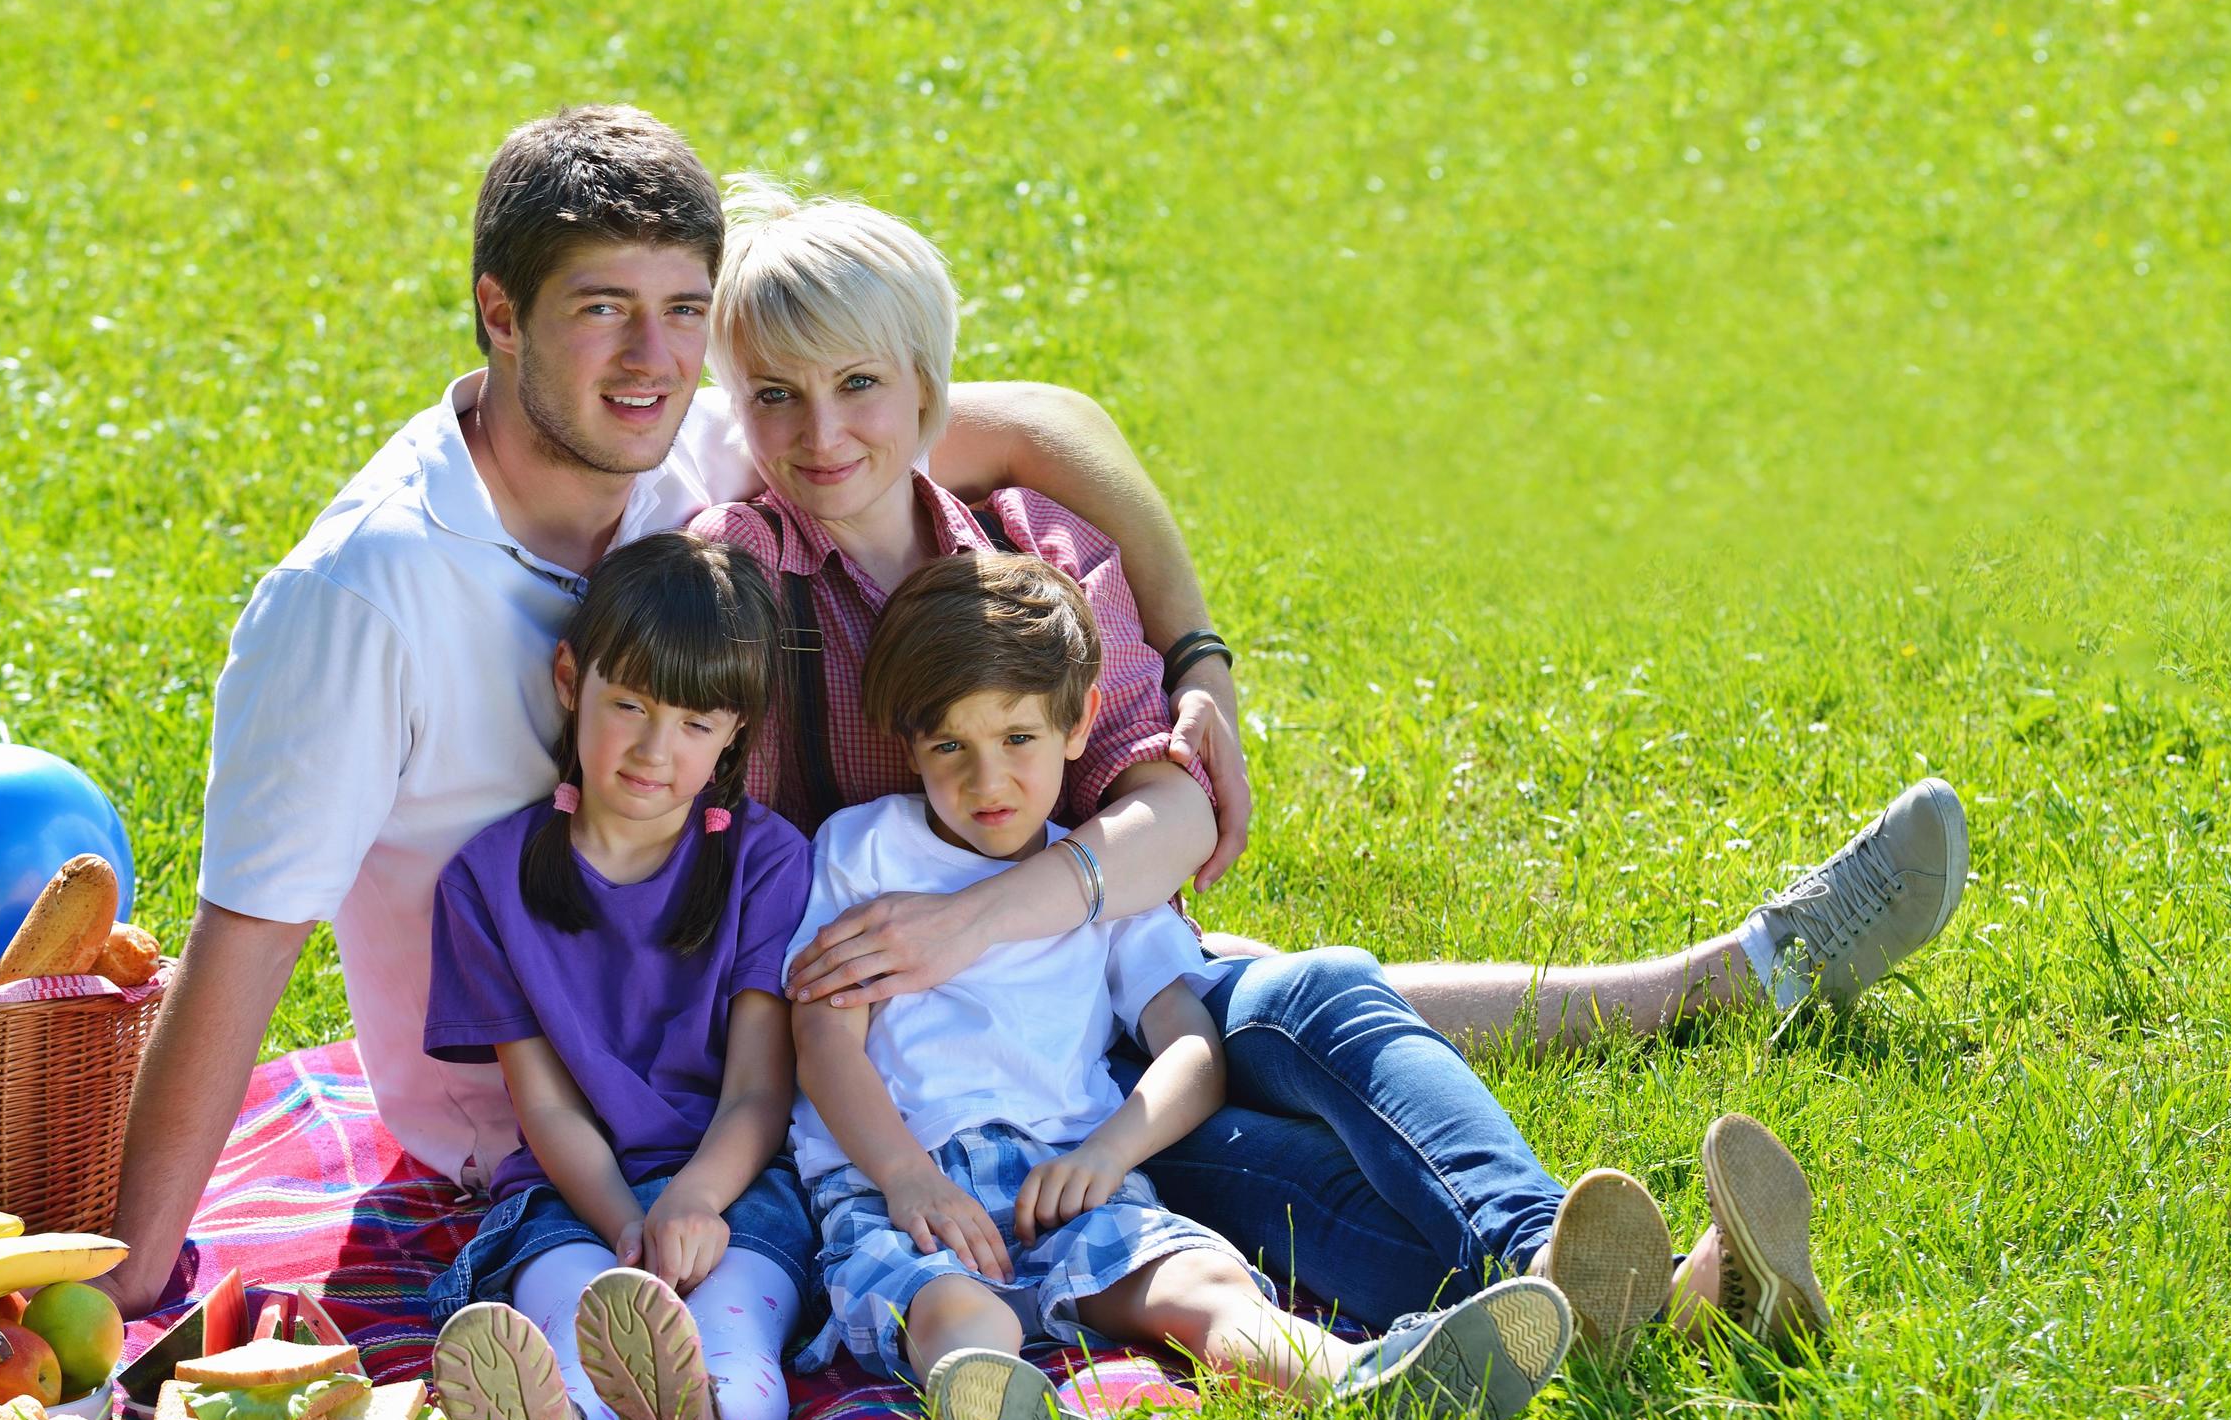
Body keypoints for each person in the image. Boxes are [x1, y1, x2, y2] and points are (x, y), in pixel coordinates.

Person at [688, 177, 1972, 1343]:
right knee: (1262, 1169)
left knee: (1324, 994)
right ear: (736, 408)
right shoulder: (737, 582)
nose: (821, 434)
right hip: (962, 1077)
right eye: (776, 396)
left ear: (926, 391)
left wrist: (989, 915)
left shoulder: (1033, 550)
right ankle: (1629, 1307)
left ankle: (1555, 1252)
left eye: (858, 386)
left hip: (1113, 976)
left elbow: (1171, 804)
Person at [89, 105, 1255, 1316]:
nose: (652, 356)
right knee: (1241, 1105)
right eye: (602, 308)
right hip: (557, 1140)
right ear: (500, 313)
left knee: (1268, 1024)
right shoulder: (361, 600)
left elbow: (1042, 423)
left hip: (818, 1054)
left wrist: (1199, 658)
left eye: (684, 311)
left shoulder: (707, 433)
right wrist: (121, 1284)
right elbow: (244, 945)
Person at [792, 550, 1574, 1420]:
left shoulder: (1095, 878)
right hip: (903, 1180)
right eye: (948, 748)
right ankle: (999, 1418)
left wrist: (1108, 1151)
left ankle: (1361, 1384)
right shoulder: (861, 852)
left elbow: (1192, 1051)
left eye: (1017, 740)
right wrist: (904, 1176)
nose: (986, 783)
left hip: (1068, 1173)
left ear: (1079, 722)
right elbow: (822, 1039)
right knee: (951, 1307)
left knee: (1200, 1282)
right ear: (906, 742)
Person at [419, 532, 811, 1420]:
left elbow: (760, 1090)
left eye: (694, 723)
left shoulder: (766, 862)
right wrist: (622, 1224)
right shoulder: (487, 880)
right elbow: (546, 1108)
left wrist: (693, 1199)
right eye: (628, 705)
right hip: (569, 1188)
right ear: (569, 679)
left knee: (735, 1327)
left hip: (735, 1180)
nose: (653, 750)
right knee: (570, 1305)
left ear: (735, 731)